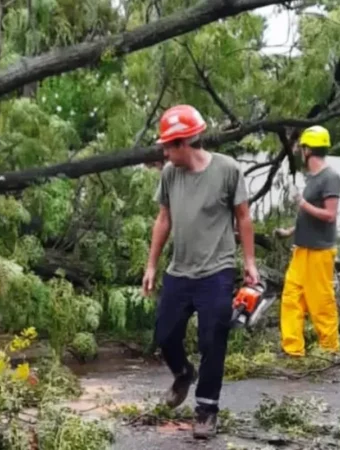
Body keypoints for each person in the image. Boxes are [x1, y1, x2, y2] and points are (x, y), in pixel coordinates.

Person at [142, 104, 259, 439]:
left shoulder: (227, 170)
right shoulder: (169, 175)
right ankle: (182, 373)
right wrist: (151, 264)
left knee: (212, 339)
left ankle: (206, 411)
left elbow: (243, 217)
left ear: (184, 143)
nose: (164, 152)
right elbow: (163, 219)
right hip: (180, 270)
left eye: (168, 146)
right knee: (165, 334)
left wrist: (249, 262)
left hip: (216, 271)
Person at [274, 125, 340, 357]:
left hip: (319, 252)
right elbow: (311, 217)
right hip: (302, 250)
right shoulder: (313, 178)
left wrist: (301, 203)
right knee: (291, 298)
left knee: (321, 302)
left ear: (308, 149)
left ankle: (329, 350)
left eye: (302, 147)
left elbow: (330, 215)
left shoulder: (330, 177)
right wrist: (290, 231)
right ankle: (293, 350)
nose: (301, 152)